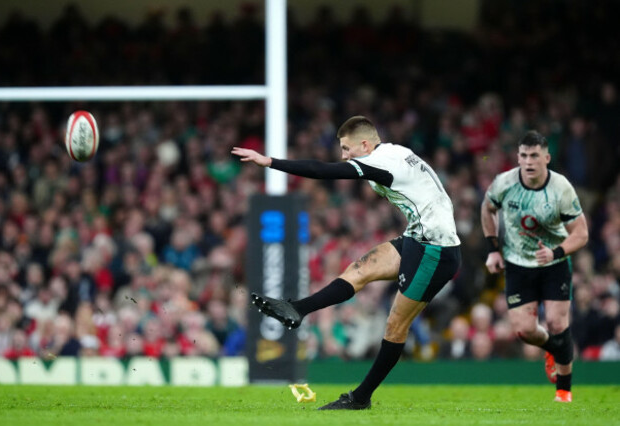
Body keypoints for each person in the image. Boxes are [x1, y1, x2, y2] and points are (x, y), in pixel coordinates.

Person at [232, 116, 461, 410]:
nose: (343, 156)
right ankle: (298, 309)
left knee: (395, 325)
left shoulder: (382, 161)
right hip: (418, 238)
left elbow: (321, 170)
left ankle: (360, 397)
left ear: (364, 144)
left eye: (346, 148)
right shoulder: (395, 152)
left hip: (437, 250)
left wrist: (270, 162)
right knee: (359, 269)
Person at [481, 130, 589, 403]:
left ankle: (564, 391)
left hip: (554, 263)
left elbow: (581, 233)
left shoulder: (560, 188)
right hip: (518, 264)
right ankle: (556, 349)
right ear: (518, 157)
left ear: (546, 158)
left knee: (556, 322)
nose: (528, 161)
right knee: (525, 331)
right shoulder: (504, 183)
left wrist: (556, 252)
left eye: (535, 156)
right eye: (524, 155)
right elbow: (487, 208)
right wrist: (494, 250)